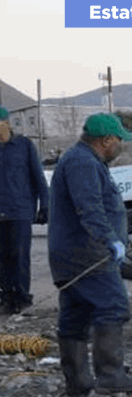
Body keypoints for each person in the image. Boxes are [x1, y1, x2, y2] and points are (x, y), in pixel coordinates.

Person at [48, 113, 132, 396]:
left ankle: (78, 382)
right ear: (106, 141)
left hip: (72, 254)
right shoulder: (82, 162)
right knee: (113, 306)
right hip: (88, 256)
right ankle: (110, 375)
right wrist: (110, 240)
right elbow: (89, 208)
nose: (120, 146)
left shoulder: (84, 160)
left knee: (76, 314)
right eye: (118, 140)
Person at [0, 106, 50, 315]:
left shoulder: (24, 145)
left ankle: (22, 297)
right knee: (2, 258)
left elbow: (38, 177)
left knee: (19, 256)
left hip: (20, 211)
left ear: (7, 123)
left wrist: (45, 205)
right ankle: (6, 296)